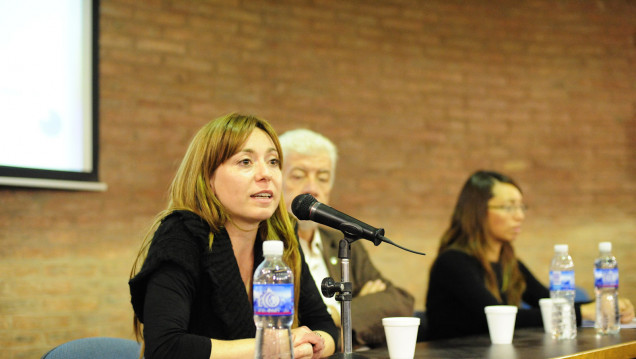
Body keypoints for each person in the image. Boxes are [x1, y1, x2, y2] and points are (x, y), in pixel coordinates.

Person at [128, 114, 338, 359]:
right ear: (207, 177)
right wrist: (273, 347)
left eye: (273, 161)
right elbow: (166, 347)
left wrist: (310, 345)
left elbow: (326, 327)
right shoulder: (182, 235)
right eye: (246, 161)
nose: (265, 174)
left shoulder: (281, 235)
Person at [425, 170, 635, 340]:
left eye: (521, 207)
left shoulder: (509, 262)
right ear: (477, 211)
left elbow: (548, 301)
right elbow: (501, 317)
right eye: (508, 207)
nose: (519, 216)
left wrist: (602, 306)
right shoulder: (452, 262)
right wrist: (584, 312)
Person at [279, 128, 415, 347]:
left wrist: (333, 314)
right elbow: (286, 323)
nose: (313, 188)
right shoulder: (267, 245)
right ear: (277, 180)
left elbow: (399, 302)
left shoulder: (341, 241)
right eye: (298, 175)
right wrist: (360, 305)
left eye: (323, 178)